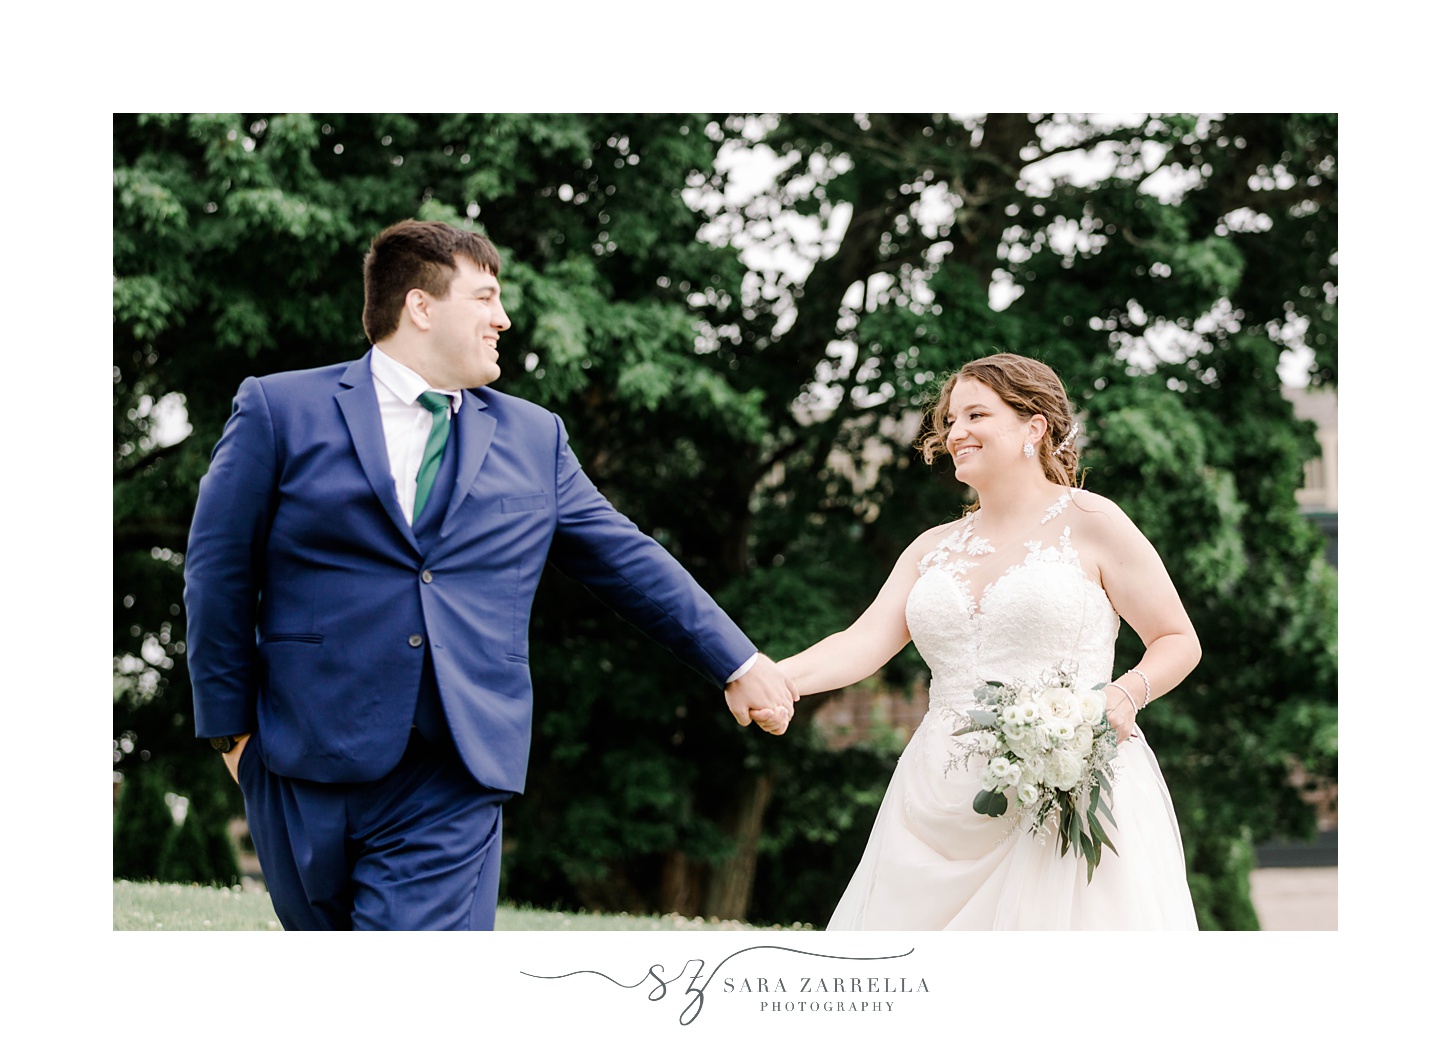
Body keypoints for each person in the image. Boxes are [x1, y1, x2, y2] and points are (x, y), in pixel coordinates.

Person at [184, 219, 796, 931]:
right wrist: (230, 733)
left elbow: (626, 559)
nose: (502, 319)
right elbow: (217, 572)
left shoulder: (535, 438)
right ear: (420, 306)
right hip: (301, 756)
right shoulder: (279, 409)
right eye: (485, 297)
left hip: (454, 765)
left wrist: (735, 661)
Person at [780, 353, 1200, 930]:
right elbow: (861, 642)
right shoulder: (932, 547)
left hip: (1060, 791)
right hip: (935, 793)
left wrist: (1122, 697)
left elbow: (1178, 638)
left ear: (1034, 428)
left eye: (976, 415)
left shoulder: (1093, 520)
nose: (955, 433)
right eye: (950, 420)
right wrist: (772, 678)